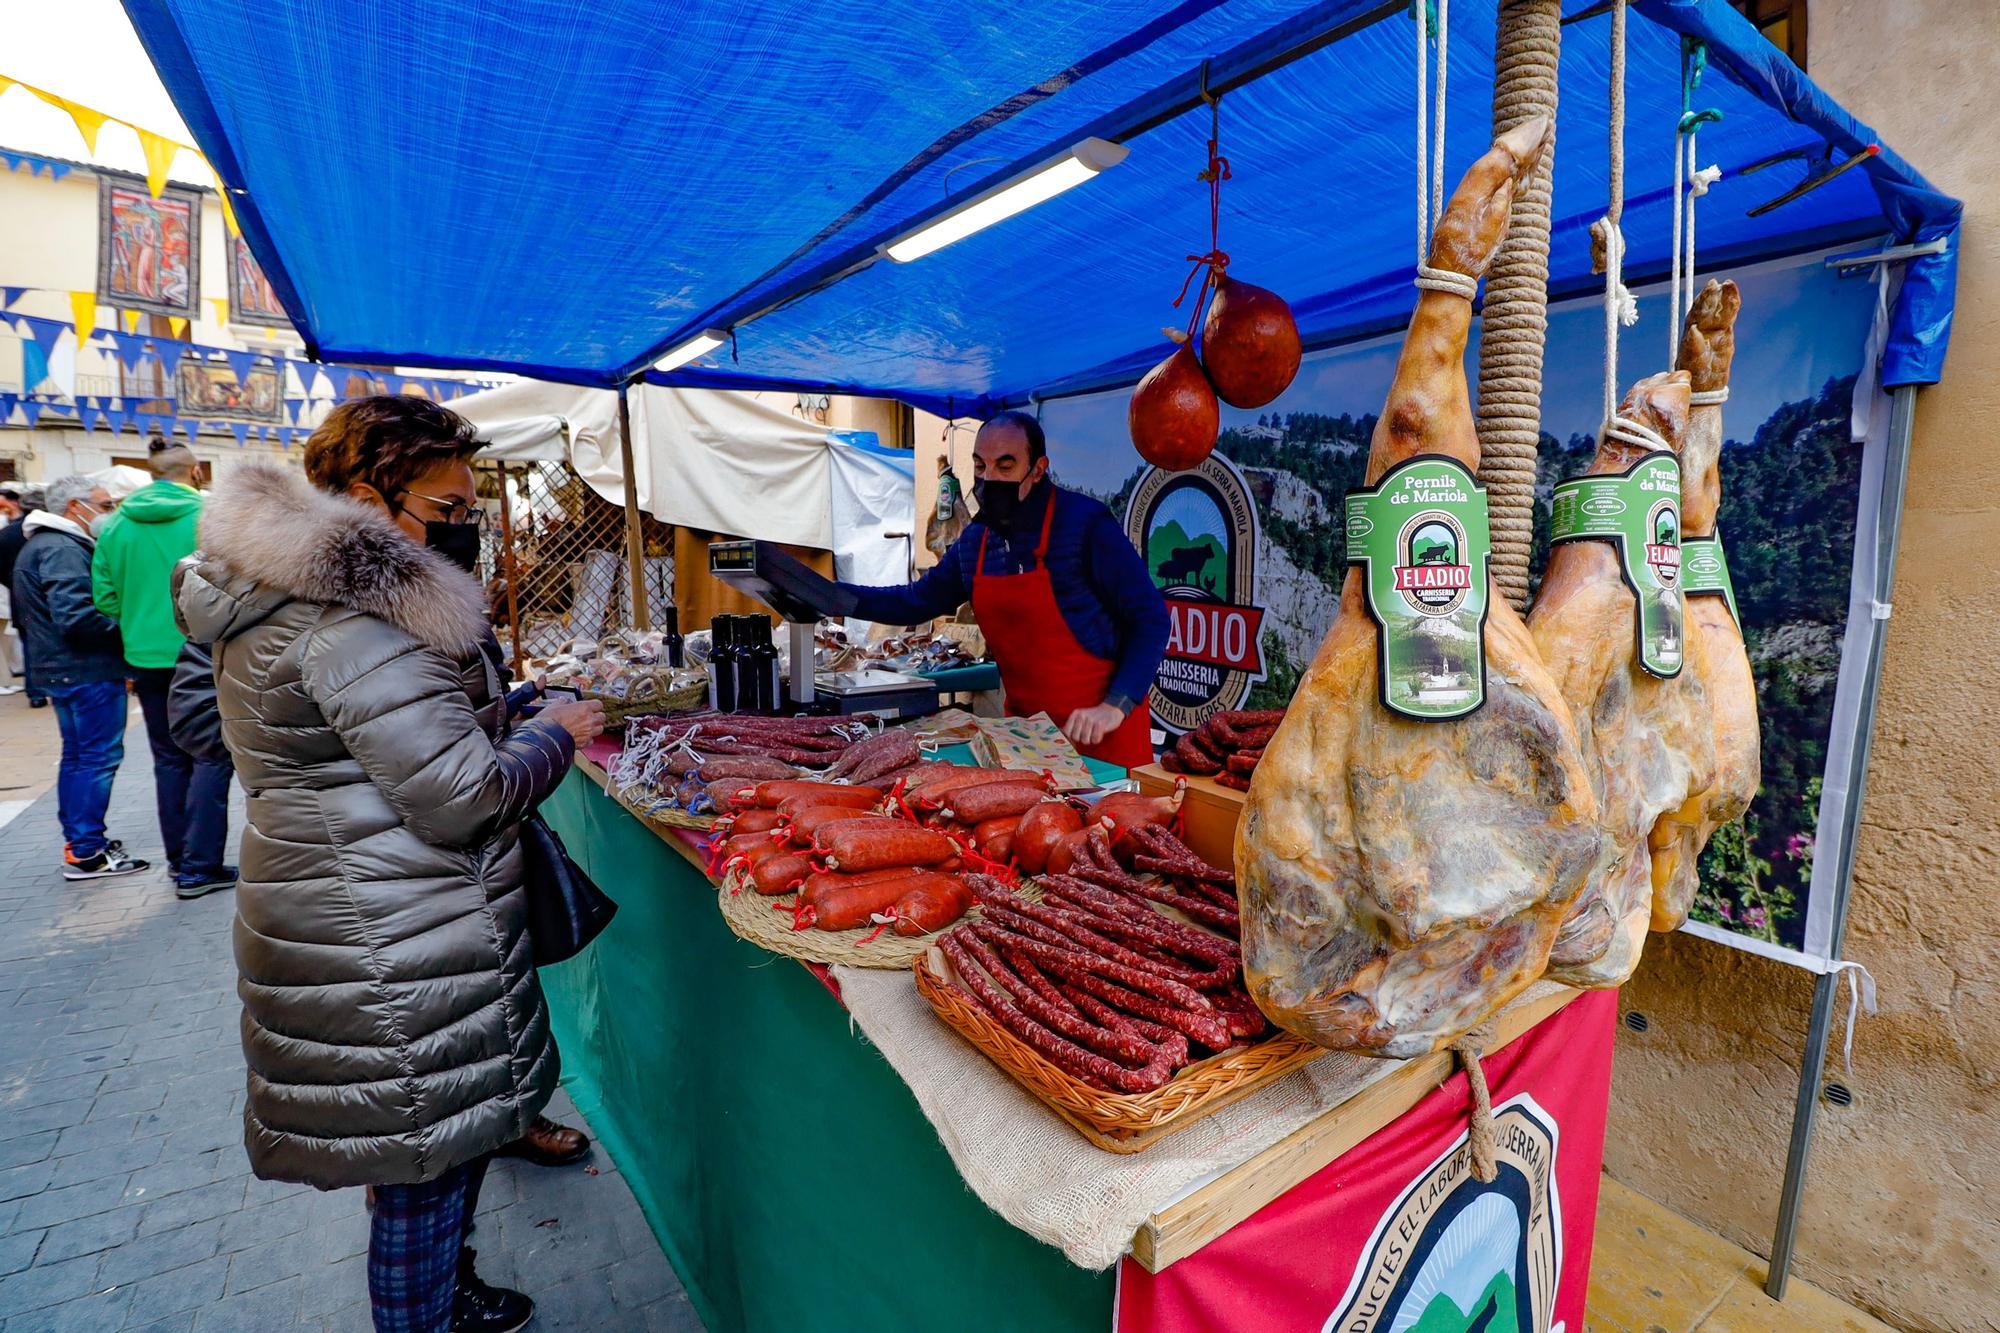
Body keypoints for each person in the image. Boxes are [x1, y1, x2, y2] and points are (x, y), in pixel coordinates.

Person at [175, 395, 606, 1333]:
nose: (466, 530)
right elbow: (463, 797)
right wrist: (553, 735)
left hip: (352, 910)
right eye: (448, 512)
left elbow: (246, 727)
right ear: (372, 498)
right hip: (394, 935)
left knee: (431, 1149)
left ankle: (447, 1290)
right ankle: (424, 1311)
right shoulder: (356, 618)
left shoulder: (272, 591)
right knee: (427, 1167)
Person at [837, 410, 1169, 767]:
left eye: (1005, 467)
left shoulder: (1085, 526)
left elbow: (1151, 620)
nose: (989, 479)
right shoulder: (975, 542)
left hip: (1106, 742)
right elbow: (916, 602)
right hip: (1030, 741)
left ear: (1038, 469)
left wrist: (1115, 705)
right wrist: (834, 597)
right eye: (980, 467)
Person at [92, 439, 236, 899]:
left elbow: (104, 599)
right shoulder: (212, 515)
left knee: (168, 758)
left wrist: (141, 615)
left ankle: (180, 860)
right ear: (194, 471)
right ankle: (200, 865)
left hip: (146, 656)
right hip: (204, 650)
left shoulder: (114, 525)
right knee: (211, 754)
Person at [12, 476, 150, 879]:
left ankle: (81, 843)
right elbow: (75, 617)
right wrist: (130, 624)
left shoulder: (44, 544)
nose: (108, 512)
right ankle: (87, 851)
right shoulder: (60, 547)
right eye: (104, 505)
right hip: (85, 671)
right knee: (95, 759)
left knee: (79, 758)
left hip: (65, 671)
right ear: (75, 506)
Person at [0, 484, 48, 705]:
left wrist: (12, 583)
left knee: (29, 645)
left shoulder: (7, 534)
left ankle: (35, 693)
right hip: (49, 596)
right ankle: (53, 687)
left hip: (20, 597)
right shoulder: (48, 533)